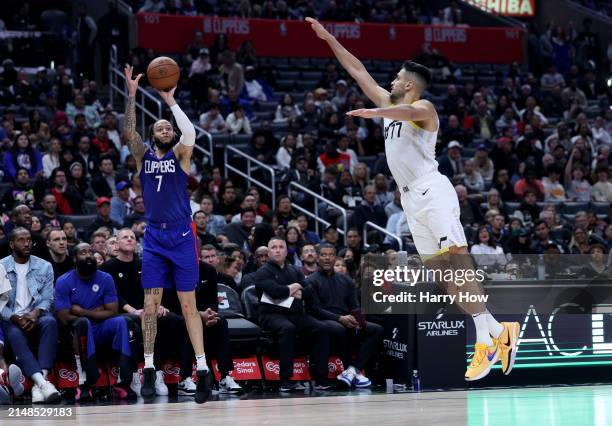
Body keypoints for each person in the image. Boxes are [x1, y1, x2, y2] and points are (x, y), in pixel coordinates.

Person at [307, 17, 518, 382]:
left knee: (458, 262)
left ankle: (485, 339)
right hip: (410, 200)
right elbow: (358, 71)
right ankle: (499, 331)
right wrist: (328, 39)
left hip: (432, 190)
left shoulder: (424, 108)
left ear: (408, 84)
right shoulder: (391, 103)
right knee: (442, 273)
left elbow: (405, 112)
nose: (388, 83)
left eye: (395, 80)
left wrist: (375, 112)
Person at [123, 65, 212, 403]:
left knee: (189, 305)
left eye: (167, 126)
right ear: (152, 133)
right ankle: (147, 366)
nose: (164, 128)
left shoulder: (181, 155)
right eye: (158, 125)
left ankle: (202, 369)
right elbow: (129, 132)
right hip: (156, 239)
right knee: (150, 305)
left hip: (181, 236)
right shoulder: (143, 157)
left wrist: (171, 103)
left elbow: (190, 134)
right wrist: (132, 96)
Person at [101, 229, 191, 397]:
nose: (129, 240)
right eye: (125, 237)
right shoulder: (108, 267)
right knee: (131, 322)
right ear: (116, 243)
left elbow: (155, 288)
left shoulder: (145, 264)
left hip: (148, 308)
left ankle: (156, 371)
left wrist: (158, 305)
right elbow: (114, 296)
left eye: (132, 237)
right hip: (123, 312)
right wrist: (134, 310)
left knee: (174, 320)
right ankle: (135, 375)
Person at [55, 243, 136, 402]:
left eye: (91, 252)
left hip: (103, 326)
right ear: (74, 259)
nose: (88, 256)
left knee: (124, 321)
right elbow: (64, 316)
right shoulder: (64, 281)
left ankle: (123, 382)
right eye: (83, 252)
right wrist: (92, 313)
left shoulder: (105, 278)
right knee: (83, 324)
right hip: (80, 329)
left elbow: (112, 311)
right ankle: (85, 383)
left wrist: (82, 311)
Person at [254, 237, 331, 391]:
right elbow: (276, 292)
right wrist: (295, 286)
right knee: (287, 328)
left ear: (286, 251)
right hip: (271, 314)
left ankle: (320, 378)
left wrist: (297, 292)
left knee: (322, 328)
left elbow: (310, 290)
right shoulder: (262, 272)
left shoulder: (294, 269)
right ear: (268, 252)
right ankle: (285, 379)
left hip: (295, 313)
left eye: (281, 247)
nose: (277, 250)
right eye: (274, 247)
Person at [308, 244, 383, 388]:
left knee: (376, 329)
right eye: (324, 255)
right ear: (318, 258)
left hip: (347, 319)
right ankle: (352, 371)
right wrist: (340, 318)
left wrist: (357, 319)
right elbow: (314, 309)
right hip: (325, 320)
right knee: (339, 329)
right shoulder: (311, 280)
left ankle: (352, 370)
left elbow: (354, 306)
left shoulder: (346, 280)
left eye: (331, 255)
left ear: (335, 257)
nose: (328, 258)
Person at [0, 228, 59, 404]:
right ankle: (42, 383)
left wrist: (35, 313)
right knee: (15, 334)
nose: (27, 243)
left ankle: (41, 384)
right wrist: (15, 318)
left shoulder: (44, 266)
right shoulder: (1, 266)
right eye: (21, 240)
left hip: (37, 314)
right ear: (11, 244)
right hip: (10, 317)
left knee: (50, 322)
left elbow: (48, 298)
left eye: (29, 239)